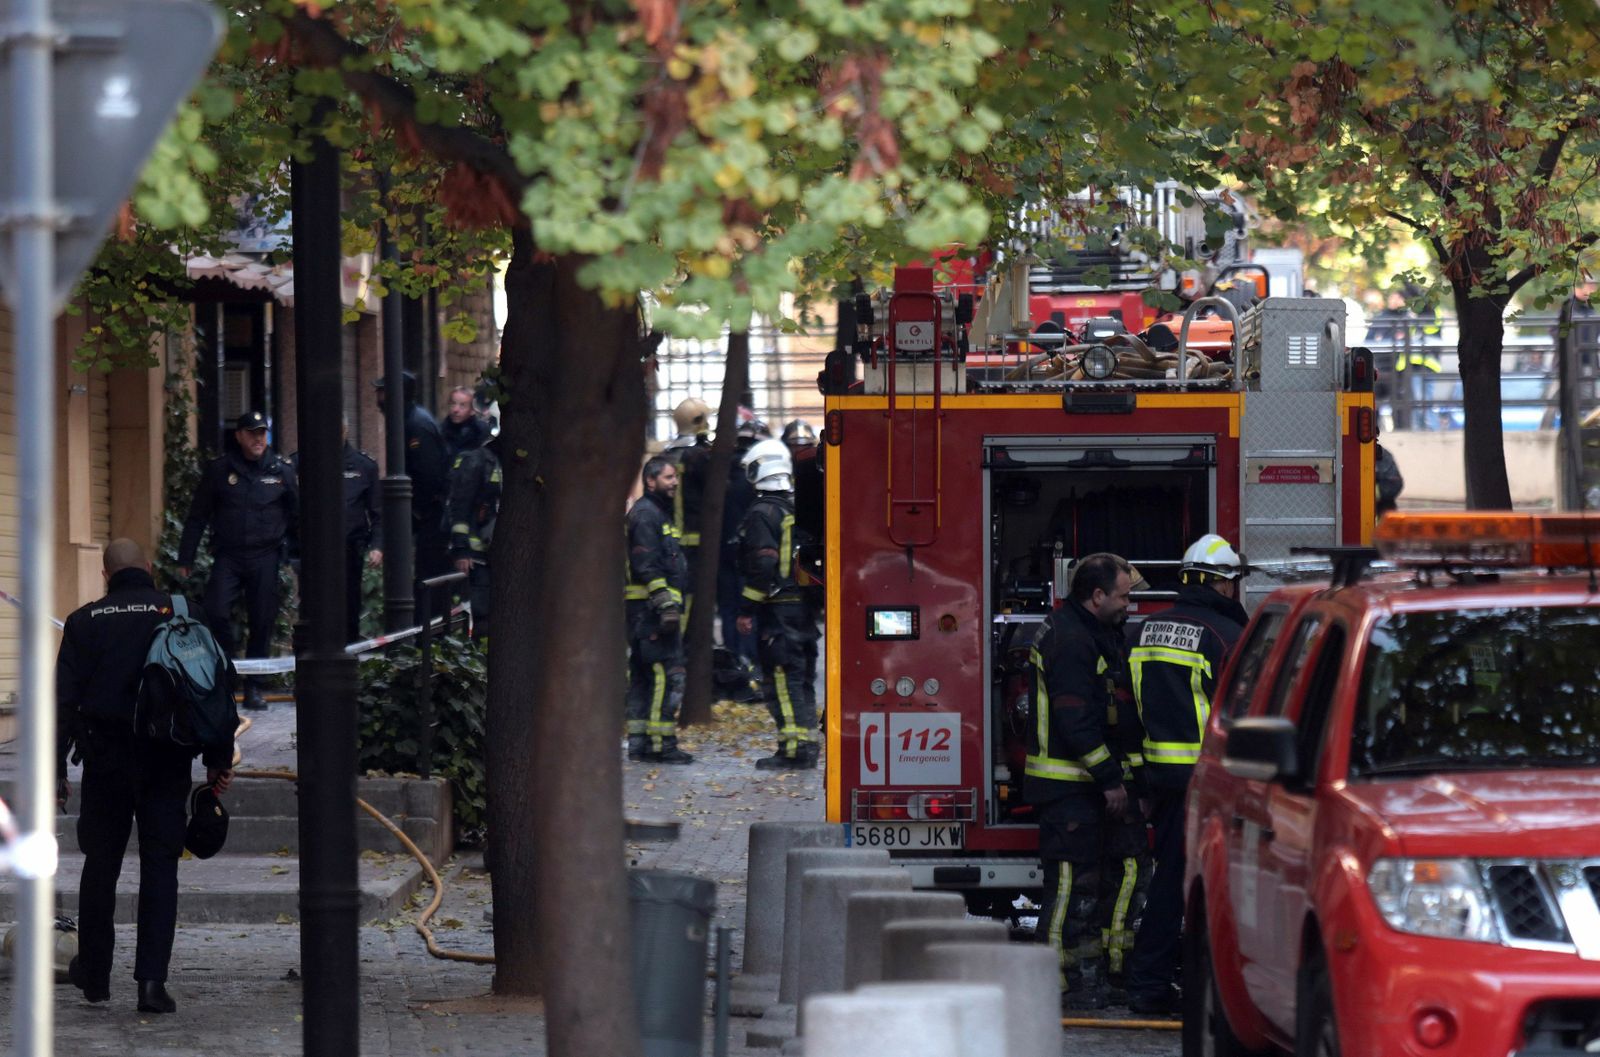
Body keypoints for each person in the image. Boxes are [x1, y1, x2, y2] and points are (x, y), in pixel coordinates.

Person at [56, 539, 237, 1014]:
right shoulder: (182, 612)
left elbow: (62, 704)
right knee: (161, 867)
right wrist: (219, 760)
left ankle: (95, 976)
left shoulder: (84, 622)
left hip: (106, 762)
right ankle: (152, 985)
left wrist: (57, 770)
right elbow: (217, 684)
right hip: (167, 761)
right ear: (150, 569)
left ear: (105, 573)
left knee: (101, 868)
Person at [1124, 533, 1248, 1015]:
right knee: (1224, 888)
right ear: (1224, 586)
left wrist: (1141, 781)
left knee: (1170, 882)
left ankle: (1150, 982)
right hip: (1215, 783)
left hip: (1166, 783)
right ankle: (1204, 986)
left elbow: (1130, 714)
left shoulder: (1144, 631)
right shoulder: (1227, 638)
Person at [1025, 552, 1134, 1010]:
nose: (1129, 604)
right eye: (1123, 596)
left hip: (1077, 787)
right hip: (1068, 786)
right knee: (1067, 885)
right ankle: (1051, 983)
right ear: (1097, 596)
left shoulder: (1085, 630)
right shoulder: (1072, 641)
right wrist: (1110, 778)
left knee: (1083, 888)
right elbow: (1076, 722)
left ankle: (1080, 981)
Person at [176, 410, 297, 711]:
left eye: (262, 433)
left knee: (262, 621)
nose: (258, 439)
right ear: (239, 436)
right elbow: (198, 515)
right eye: (252, 433)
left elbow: (298, 517)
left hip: (265, 556)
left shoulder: (281, 470)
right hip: (229, 555)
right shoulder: (220, 470)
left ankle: (254, 687)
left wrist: (297, 558)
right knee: (215, 612)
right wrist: (186, 557)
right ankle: (229, 671)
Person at [736, 438, 821, 769]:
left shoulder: (761, 513)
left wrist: (746, 609)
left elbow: (763, 564)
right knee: (801, 681)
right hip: (803, 610)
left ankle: (793, 751)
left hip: (779, 613)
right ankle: (807, 746)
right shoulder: (795, 508)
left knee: (782, 682)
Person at [625, 456, 694, 764]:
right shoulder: (646, 515)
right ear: (650, 481)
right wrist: (666, 603)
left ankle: (640, 743)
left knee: (642, 678)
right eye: (668, 477)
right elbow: (646, 564)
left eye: (675, 477)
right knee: (665, 676)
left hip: (648, 613)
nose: (675, 482)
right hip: (650, 614)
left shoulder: (657, 514)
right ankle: (660, 745)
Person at [373, 371, 450, 582]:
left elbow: (428, 475)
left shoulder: (416, 425)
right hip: (423, 514)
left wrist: (415, 510)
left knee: (427, 573)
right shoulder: (407, 420)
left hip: (429, 515)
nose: (378, 399)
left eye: (382, 392)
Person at [717, 411, 767, 665]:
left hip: (722, 551)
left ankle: (734, 661)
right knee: (750, 607)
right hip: (751, 553)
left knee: (729, 607)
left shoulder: (722, 470)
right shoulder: (757, 474)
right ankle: (751, 662)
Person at [446, 420, 500, 642]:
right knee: (482, 613)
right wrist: (461, 549)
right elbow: (460, 507)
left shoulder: (514, 462)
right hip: (478, 557)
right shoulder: (478, 462)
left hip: (502, 553)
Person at [663, 397, 714, 620]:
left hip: (668, 537)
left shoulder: (664, 457)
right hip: (697, 538)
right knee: (694, 592)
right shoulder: (702, 457)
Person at [441, 385, 491, 457]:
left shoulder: (480, 431)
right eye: (453, 404)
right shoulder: (441, 430)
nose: (456, 410)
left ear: (472, 410)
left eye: (462, 405)